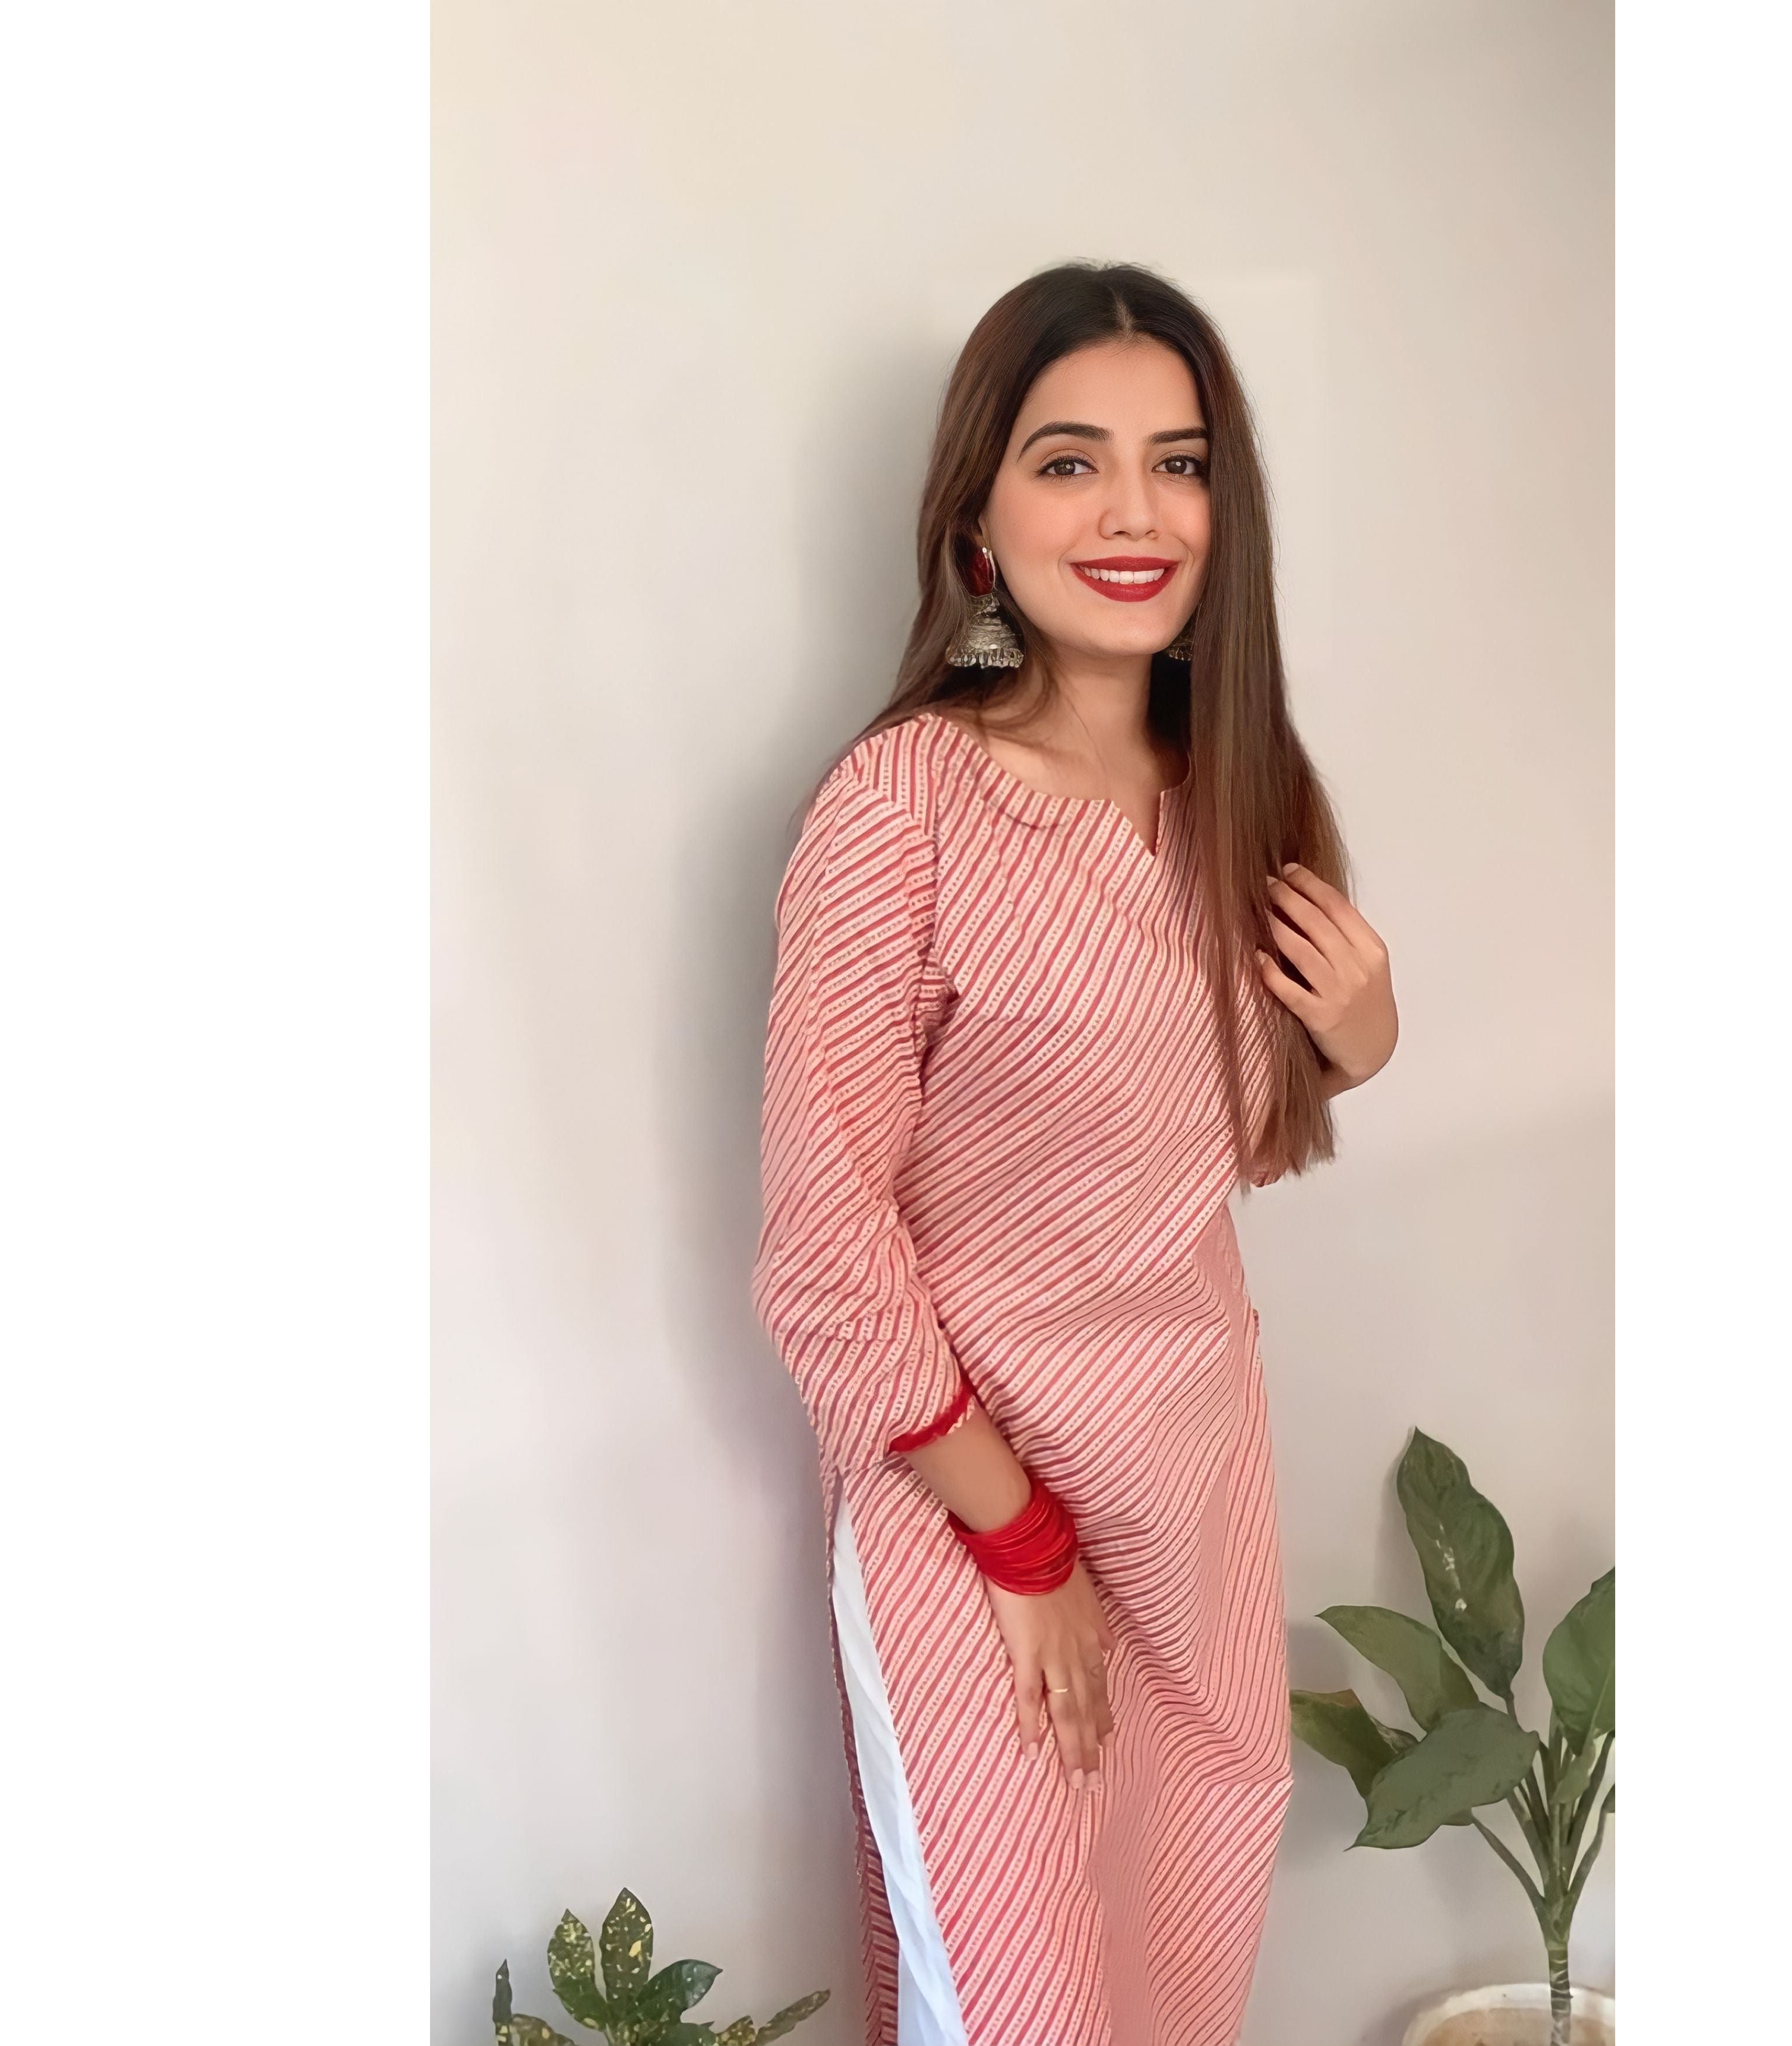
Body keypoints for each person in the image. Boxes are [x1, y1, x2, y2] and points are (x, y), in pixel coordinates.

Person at [753, 262, 1398, 2046]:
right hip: (968, 1510)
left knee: (1172, 1982)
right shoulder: (900, 807)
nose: (1132, 510)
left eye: (1177, 463)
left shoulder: (1241, 799)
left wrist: (1363, 1034)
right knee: (1016, 2006)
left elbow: (1200, 1140)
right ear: (977, 521)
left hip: (1192, 1499)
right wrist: (1022, 1542)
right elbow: (822, 1248)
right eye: (1069, 461)